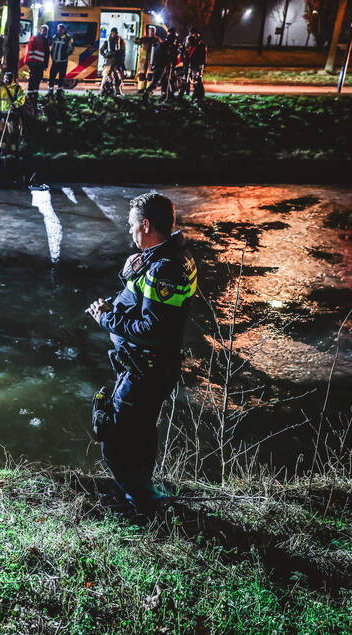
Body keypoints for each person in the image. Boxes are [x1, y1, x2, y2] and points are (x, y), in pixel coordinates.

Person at [87, 192, 198, 514]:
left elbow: (153, 330)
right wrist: (115, 305)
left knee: (116, 438)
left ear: (146, 224)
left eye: (131, 224)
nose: (130, 230)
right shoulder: (167, 256)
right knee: (140, 434)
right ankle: (142, 494)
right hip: (145, 367)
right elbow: (142, 303)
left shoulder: (165, 268)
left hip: (146, 369)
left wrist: (105, 317)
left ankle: (139, 504)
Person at [0, 71, 26, 154]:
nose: (6, 80)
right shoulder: (1, 89)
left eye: (7, 79)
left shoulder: (17, 88)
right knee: (1, 130)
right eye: (5, 79)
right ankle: (2, 147)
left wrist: (15, 105)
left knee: (12, 132)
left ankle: (13, 148)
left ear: (12, 79)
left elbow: (21, 99)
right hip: (3, 114)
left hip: (12, 114)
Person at [25, 25, 50, 101]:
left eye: (45, 30)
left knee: (36, 80)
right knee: (34, 80)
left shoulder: (43, 39)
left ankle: (33, 95)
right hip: (35, 64)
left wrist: (45, 65)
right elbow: (30, 51)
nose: (44, 32)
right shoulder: (35, 38)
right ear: (40, 30)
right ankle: (31, 95)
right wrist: (30, 63)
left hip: (39, 64)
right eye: (43, 30)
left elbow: (46, 54)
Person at [100, 27, 126, 96]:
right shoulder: (108, 40)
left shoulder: (121, 41)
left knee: (118, 77)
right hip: (109, 61)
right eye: (113, 33)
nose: (114, 34)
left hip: (117, 61)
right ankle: (103, 90)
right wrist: (106, 55)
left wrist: (121, 60)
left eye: (115, 33)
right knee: (106, 76)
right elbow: (101, 50)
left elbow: (123, 52)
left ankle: (118, 91)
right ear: (111, 33)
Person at [48, 23, 73, 91]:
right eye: (58, 29)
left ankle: (60, 91)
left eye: (61, 29)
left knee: (61, 77)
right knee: (52, 76)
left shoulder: (68, 38)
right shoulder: (54, 37)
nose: (59, 31)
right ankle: (50, 90)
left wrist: (65, 56)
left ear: (64, 30)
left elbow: (71, 49)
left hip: (63, 61)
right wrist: (52, 56)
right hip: (55, 61)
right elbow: (52, 47)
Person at [134, 25, 159, 92]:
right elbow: (137, 42)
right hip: (143, 59)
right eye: (150, 31)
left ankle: (148, 88)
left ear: (154, 32)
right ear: (148, 31)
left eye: (152, 31)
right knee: (142, 74)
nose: (151, 32)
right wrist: (136, 39)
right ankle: (141, 88)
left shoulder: (156, 39)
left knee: (150, 74)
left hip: (152, 60)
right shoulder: (144, 38)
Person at [184, 29, 206, 100]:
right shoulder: (189, 44)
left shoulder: (199, 45)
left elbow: (201, 55)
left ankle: (198, 94)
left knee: (197, 80)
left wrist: (202, 64)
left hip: (196, 64)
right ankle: (189, 92)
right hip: (190, 63)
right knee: (190, 78)